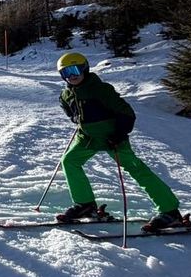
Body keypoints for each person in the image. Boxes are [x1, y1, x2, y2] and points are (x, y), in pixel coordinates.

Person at [55, 51, 184, 230]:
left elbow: (126, 113)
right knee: (69, 161)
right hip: (87, 138)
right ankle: (85, 205)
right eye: (66, 73)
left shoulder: (100, 89)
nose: (72, 76)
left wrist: (119, 134)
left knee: (136, 168)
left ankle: (170, 211)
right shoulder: (65, 95)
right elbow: (71, 113)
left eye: (75, 70)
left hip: (112, 138)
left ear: (85, 69)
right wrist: (80, 122)